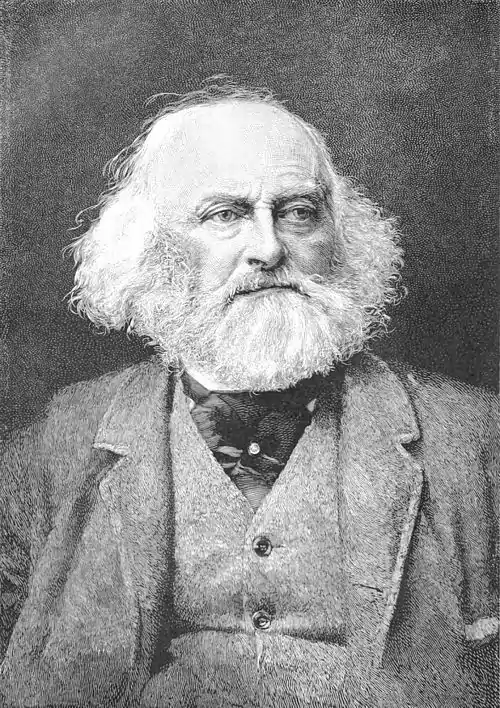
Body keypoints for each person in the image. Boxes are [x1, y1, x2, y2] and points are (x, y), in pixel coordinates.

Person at [0, 83, 497, 708]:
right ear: (150, 250)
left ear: (343, 239)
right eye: (225, 215)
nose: (268, 248)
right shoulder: (63, 435)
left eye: (299, 212)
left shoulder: (474, 436)